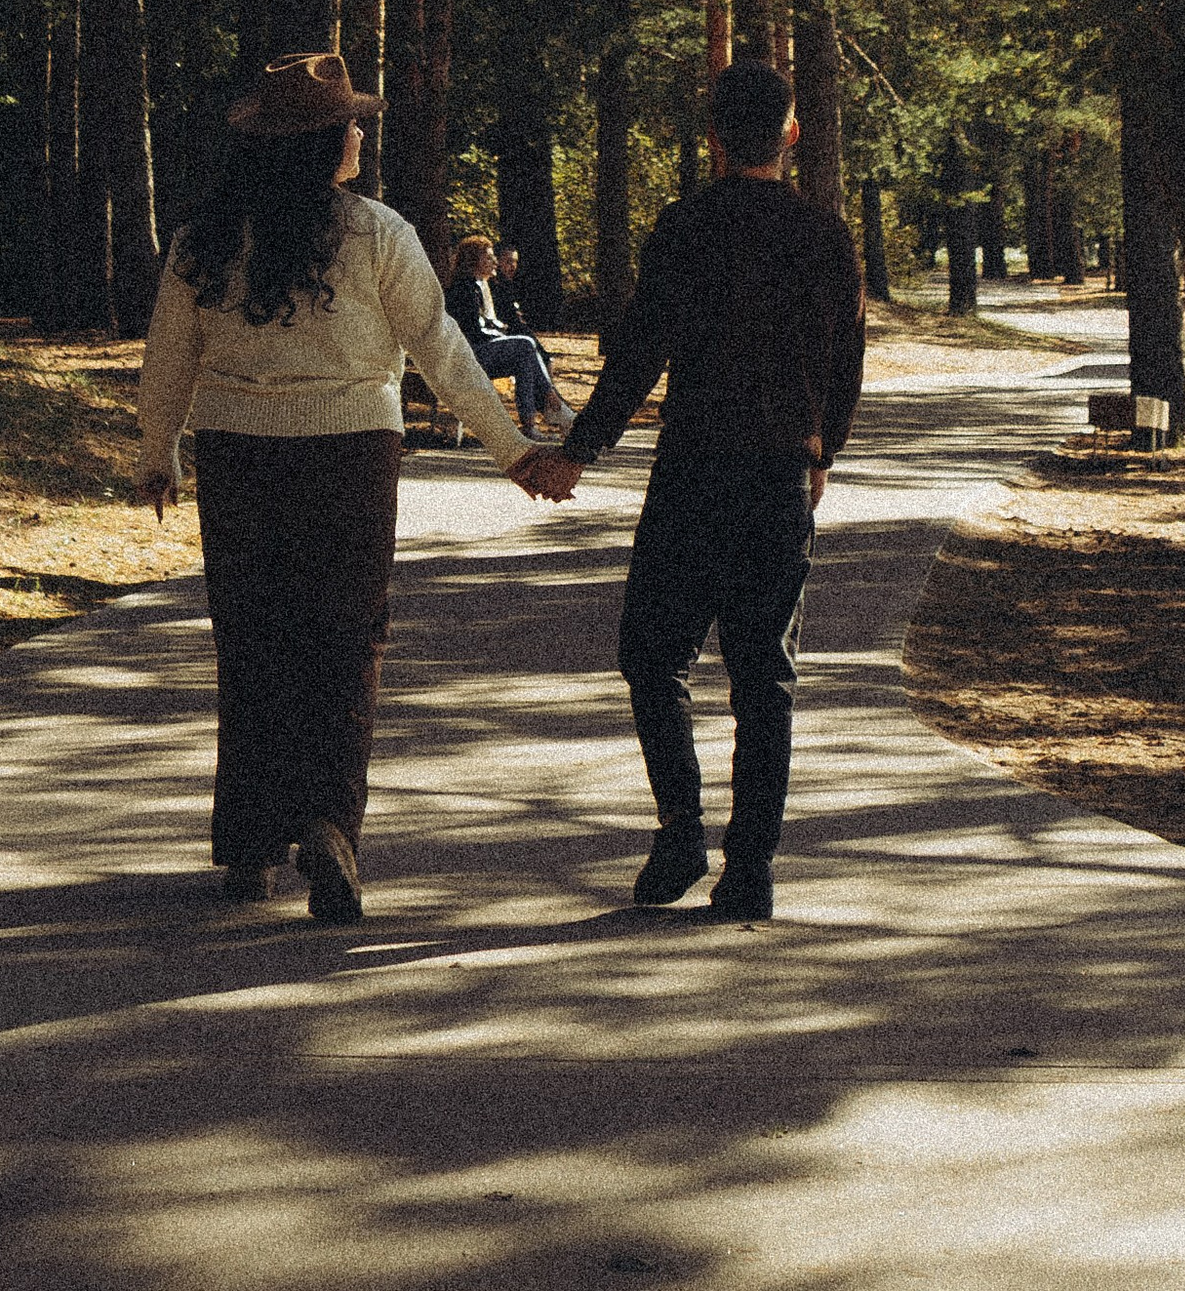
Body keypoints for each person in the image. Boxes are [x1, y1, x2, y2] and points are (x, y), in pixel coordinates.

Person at [136, 51, 574, 923]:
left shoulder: (204, 239)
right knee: (345, 645)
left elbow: (168, 357)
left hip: (240, 458)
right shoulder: (376, 232)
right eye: (351, 123)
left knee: (253, 641)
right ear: (326, 140)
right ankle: (331, 827)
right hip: (350, 459)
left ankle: (253, 843)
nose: (362, 133)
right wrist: (512, 450)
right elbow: (440, 349)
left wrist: (160, 452)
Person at [530, 58, 866, 926]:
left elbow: (640, 351)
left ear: (713, 140)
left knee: (653, 656)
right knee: (766, 678)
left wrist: (580, 448)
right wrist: (823, 450)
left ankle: (681, 828)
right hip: (777, 475)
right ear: (791, 135)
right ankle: (748, 869)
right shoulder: (825, 236)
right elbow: (846, 361)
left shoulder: (685, 228)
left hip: (692, 473)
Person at [444, 234, 573, 439]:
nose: (494, 262)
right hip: (469, 354)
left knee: (524, 360)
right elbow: (474, 331)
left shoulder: (483, 285)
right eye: (488, 258)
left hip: (482, 350)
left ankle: (530, 426)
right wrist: (502, 333)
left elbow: (488, 322)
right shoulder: (465, 288)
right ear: (473, 261)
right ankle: (552, 399)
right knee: (525, 344)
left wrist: (501, 331)